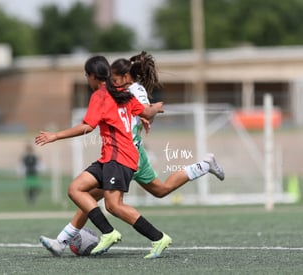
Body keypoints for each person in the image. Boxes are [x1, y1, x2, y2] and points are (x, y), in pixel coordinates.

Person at [38, 52, 225, 258]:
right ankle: (203, 166)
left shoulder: (123, 91)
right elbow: (143, 112)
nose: (114, 79)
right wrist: (152, 111)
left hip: (127, 154)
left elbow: (100, 122)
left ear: (124, 76)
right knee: (146, 191)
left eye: (116, 76)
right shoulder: (124, 91)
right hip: (123, 153)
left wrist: (150, 111)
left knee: (107, 202)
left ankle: (116, 235)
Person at [35, 55, 169, 259]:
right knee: (76, 189)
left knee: (113, 205)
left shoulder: (101, 95)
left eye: (86, 76)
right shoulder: (122, 91)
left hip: (120, 156)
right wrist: (156, 108)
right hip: (111, 157)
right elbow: (145, 112)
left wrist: (56, 135)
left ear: (91, 76)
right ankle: (96, 234)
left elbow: (88, 126)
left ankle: (157, 238)